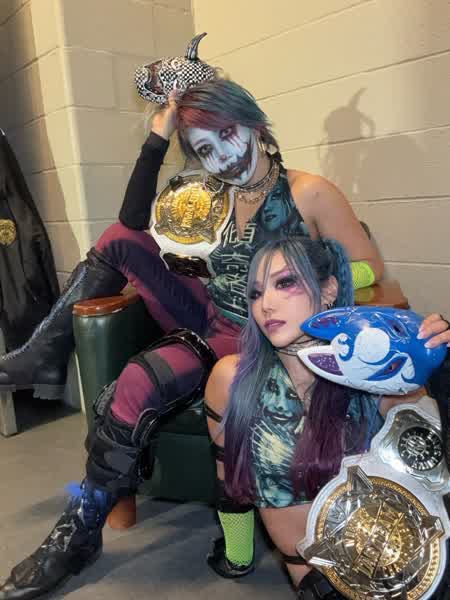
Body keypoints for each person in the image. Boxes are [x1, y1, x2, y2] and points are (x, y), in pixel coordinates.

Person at [0, 74, 449, 600]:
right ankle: (76, 517)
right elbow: (132, 220)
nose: (224, 158)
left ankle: (84, 516)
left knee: (144, 380)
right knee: (120, 238)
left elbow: (369, 270)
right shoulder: (211, 200)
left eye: (228, 135)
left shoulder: (308, 192)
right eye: (205, 150)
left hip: (265, 337)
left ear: (255, 124)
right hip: (212, 318)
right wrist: (159, 135)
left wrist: (305, 284)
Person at [204, 236, 449, 598]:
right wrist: (237, 556)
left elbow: (432, 460)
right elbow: (229, 483)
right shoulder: (231, 379)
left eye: (285, 283)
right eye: (256, 293)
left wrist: (438, 364)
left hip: (408, 556)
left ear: (329, 290)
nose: (266, 304)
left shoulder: (372, 367)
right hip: (321, 582)